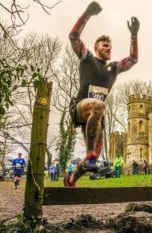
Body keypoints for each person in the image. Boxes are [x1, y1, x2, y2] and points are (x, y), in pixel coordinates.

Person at [64, 1, 139, 187]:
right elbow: (73, 36)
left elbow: (133, 59)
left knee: (95, 156)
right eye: (104, 45)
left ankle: (71, 180)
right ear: (96, 47)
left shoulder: (114, 68)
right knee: (98, 106)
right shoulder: (87, 58)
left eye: (109, 46)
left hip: (97, 117)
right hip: (80, 107)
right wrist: (88, 13)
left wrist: (134, 35)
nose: (108, 48)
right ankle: (90, 156)